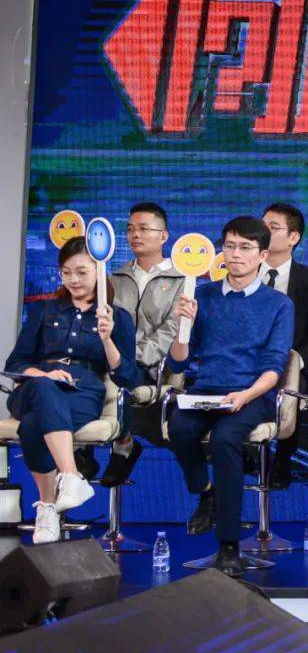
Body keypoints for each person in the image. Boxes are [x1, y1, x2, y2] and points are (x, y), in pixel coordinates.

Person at [167, 216, 294, 577]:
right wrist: (183, 327)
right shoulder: (201, 295)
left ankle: (229, 545)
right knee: (179, 427)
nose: (235, 254)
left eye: (245, 247)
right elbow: (178, 361)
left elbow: (274, 367)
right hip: (206, 390)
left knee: (226, 438)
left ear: (263, 255)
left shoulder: (278, 304)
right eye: (230, 246)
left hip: (252, 394)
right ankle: (206, 492)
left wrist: (246, 394)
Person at [5, 236, 138, 543]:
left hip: (83, 391)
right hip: (33, 388)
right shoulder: (45, 310)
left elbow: (127, 377)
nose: (73, 279)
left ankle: (47, 509)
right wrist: (45, 374)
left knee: (32, 427)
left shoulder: (117, 317)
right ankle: (71, 476)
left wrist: (107, 339)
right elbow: (16, 361)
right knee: (42, 387)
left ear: (99, 272)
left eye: (81, 272)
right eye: (66, 272)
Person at [107, 201, 184, 486]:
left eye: (143, 229)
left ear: (164, 236)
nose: (135, 235)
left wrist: (132, 356)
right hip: (114, 359)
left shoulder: (181, 280)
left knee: (120, 379)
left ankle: (123, 446)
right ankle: (80, 451)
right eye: (130, 229)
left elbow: (173, 329)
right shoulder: (115, 278)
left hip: (152, 366)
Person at [260, 203, 308, 488]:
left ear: (293, 237)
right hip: (247, 359)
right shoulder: (242, 273)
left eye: (273, 227)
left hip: (292, 362)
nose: (263, 232)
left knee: (292, 381)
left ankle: (283, 458)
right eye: (261, 226)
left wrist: (298, 359)